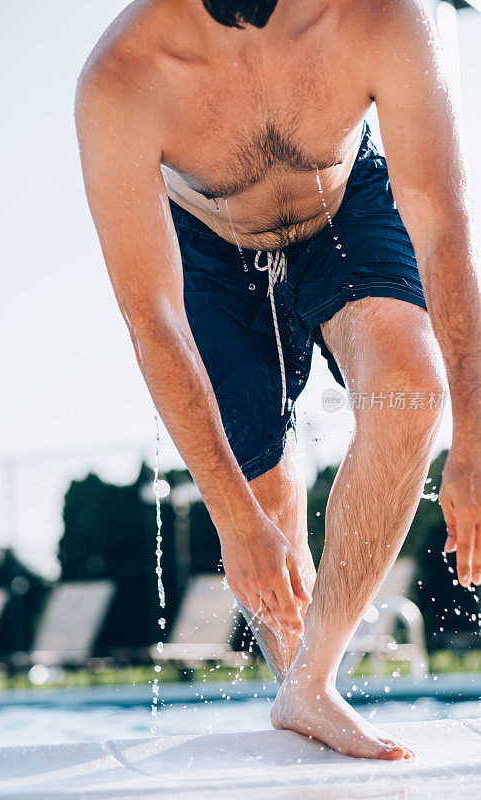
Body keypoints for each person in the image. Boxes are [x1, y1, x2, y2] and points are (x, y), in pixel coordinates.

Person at [75, 0, 481, 759]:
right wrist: (233, 522)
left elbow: (443, 229)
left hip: (344, 206)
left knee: (409, 394)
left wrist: (476, 435)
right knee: (264, 500)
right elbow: (152, 322)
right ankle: (296, 682)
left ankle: (314, 682)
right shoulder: (123, 77)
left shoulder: (381, 16)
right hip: (209, 248)